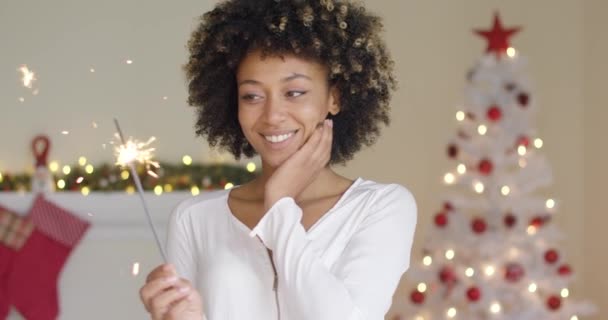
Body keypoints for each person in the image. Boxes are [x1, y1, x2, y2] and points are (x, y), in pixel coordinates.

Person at [139, 0, 417, 319]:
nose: (272, 116)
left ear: (334, 98)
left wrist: (279, 205)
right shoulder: (195, 219)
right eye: (252, 96)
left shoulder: (381, 206)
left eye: (294, 92)